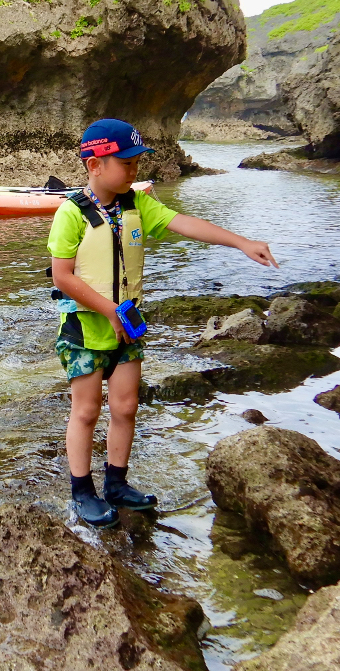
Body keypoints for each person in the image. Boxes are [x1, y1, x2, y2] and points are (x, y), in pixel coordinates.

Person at [48, 118, 279, 527]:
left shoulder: (137, 205)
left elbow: (184, 223)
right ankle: (82, 492)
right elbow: (62, 276)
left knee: (126, 406)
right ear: (95, 165)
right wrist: (108, 310)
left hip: (128, 327)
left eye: (137, 162)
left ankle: (116, 483)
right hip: (86, 327)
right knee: (86, 411)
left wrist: (241, 242)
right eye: (126, 162)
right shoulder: (72, 213)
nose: (134, 169)